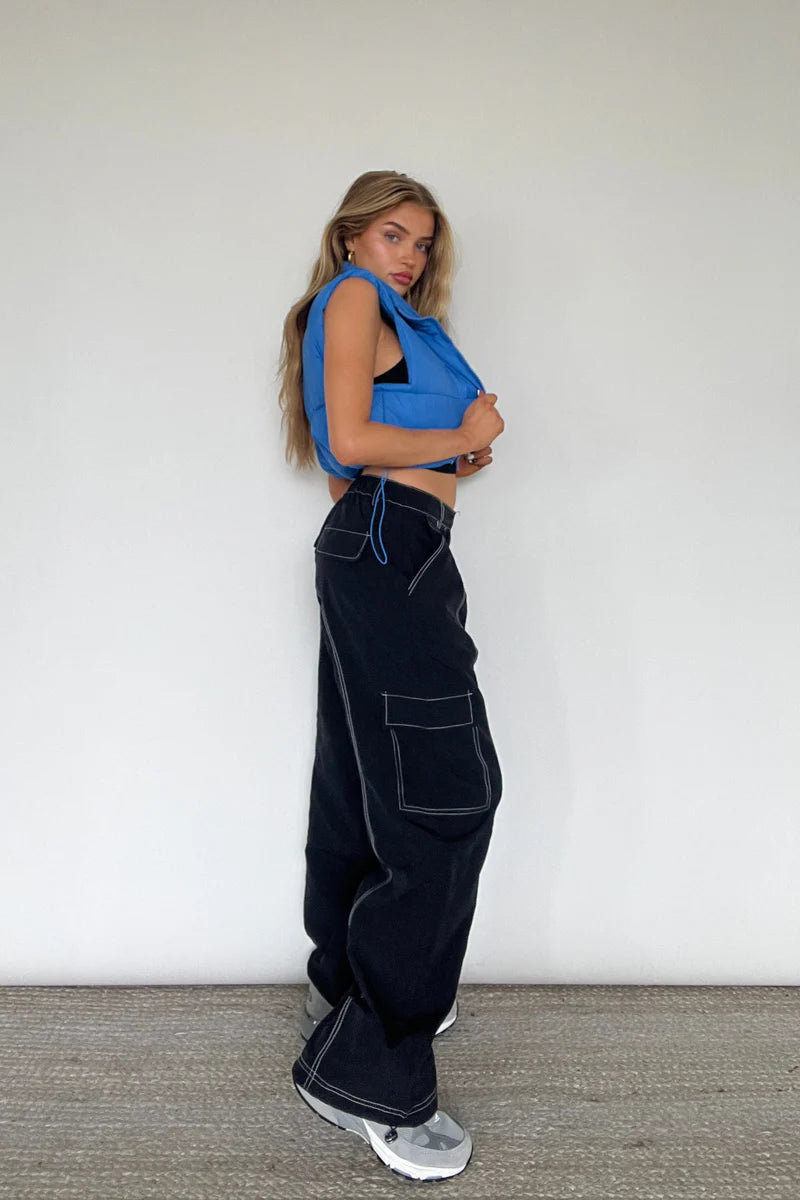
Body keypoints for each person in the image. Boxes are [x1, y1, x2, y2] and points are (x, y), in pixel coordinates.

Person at [276, 169, 505, 1181]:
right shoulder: (353, 299)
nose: (407, 256)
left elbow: (355, 463)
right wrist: (459, 437)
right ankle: (366, 1072)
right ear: (350, 237)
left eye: (421, 242)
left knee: (365, 775)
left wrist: (449, 461)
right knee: (443, 795)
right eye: (391, 235)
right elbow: (349, 443)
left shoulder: (395, 318)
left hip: (390, 544)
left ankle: (346, 984)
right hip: (386, 545)